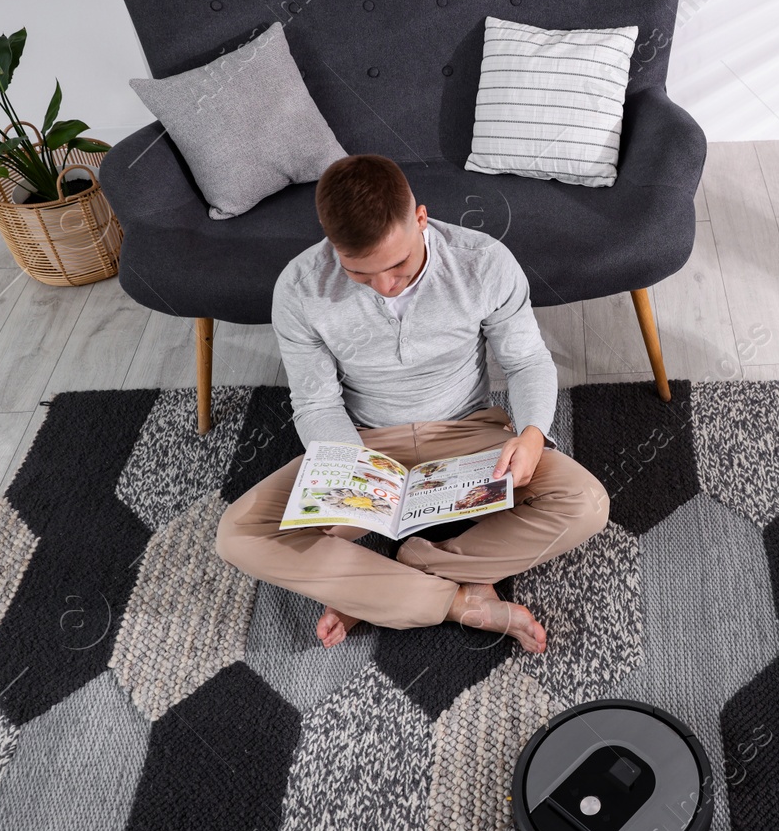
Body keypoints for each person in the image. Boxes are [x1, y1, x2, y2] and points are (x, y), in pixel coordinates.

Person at [216, 154, 609, 653]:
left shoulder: (482, 262)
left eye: (398, 264)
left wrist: (532, 435)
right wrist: (351, 471)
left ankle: (395, 580)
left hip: (470, 435)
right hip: (363, 447)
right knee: (239, 533)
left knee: (587, 503)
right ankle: (455, 602)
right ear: (332, 246)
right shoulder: (299, 289)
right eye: (360, 272)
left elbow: (528, 361)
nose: (385, 285)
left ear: (420, 219)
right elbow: (315, 402)